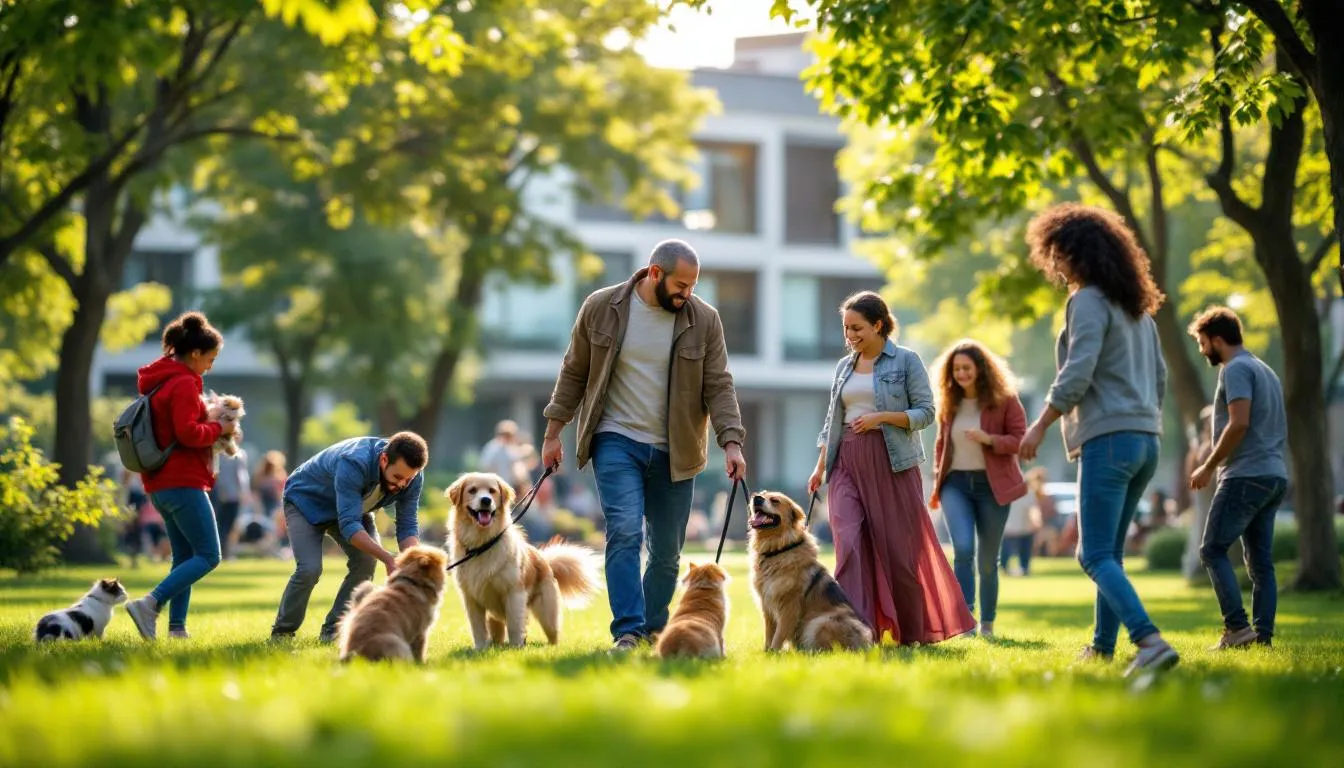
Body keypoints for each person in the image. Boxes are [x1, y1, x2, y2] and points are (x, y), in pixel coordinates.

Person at [541, 239, 747, 652]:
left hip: (678, 448)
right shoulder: (602, 307)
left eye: (693, 286)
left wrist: (732, 442)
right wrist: (552, 433)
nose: (687, 293)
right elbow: (574, 372)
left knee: (668, 553)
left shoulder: (704, 320)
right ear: (655, 273)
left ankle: (654, 628)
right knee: (624, 531)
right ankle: (629, 631)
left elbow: (719, 384)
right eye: (681, 284)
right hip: (616, 439)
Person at [1018, 203, 1179, 676]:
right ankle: (1102, 648)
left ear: (1076, 253)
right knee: (1110, 551)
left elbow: (1078, 370)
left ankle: (1148, 641)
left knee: (1093, 553)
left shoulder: (1087, 299)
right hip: (1144, 439)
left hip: (1109, 439)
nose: (1055, 265)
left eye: (1057, 255)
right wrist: (1147, 423)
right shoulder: (1138, 312)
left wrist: (1040, 423)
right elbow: (1161, 377)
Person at [806, 291, 975, 645]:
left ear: (879, 325)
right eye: (846, 328)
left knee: (899, 553)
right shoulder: (844, 367)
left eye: (857, 328)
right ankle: (856, 632)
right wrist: (820, 466)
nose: (850, 336)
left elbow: (926, 413)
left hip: (892, 462)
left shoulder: (906, 361)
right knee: (849, 541)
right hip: (847, 461)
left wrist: (882, 418)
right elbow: (831, 421)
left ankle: (912, 632)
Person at [123, 311, 233, 641]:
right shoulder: (184, 383)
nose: (210, 366)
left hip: (160, 483)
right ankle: (149, 604)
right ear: (195, 353)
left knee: (185, 557)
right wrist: (219, 428)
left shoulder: (161, 381)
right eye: (210, 359)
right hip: (182, 481)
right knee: (210, 555)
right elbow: (187, 433)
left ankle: (177, 629)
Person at [1187, 306, 1288, 649]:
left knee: (1212, 549)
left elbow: (1239, 422)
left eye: (1203, 343)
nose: (1202, 351)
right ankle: (1262, 638)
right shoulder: (1265, 369)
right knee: (1261, 564)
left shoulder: (1236, 369)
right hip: (1273, 476)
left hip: (1246, 475)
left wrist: (1209, 465)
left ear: (1217, 340)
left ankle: (1237, 629)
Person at [269, 432, 428, 643]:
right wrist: (389, 559)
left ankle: (333, 632)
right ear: (383, 459)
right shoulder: (354, 462)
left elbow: (407, 525)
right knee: (309, 569)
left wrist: (413, 562)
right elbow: (350, 526)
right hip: (305, 502)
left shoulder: (411, 476)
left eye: (408, 479)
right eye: (398, 477)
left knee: (366, 561)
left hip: (350, 508)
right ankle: (282, 633)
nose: (402, 485)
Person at [928, 339, 1029, 638]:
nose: (961, 374)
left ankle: (987, 623)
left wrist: (989, 439)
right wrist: (937, 481)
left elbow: (1020, 440)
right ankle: (966, 621)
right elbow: (942, 446)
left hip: (992, 488)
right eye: (956, 369)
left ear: (980, 369)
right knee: (961, 548)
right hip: (955, 485)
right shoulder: (949, 402)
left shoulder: (1005, 399)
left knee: (987, 560)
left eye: (966, 368)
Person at [1182, 406, 1216, 582]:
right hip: (1203, 497)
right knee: (1200, 530)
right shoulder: (1200, 447)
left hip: (1212, 496)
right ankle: (1197, 569)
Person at [212, 448, 250, 560]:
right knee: (223, 526)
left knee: (227, 526)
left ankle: (225, 552)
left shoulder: (239, 454)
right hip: (226, 496)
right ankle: (222, 552)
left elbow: (242, 476)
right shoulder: (220, 454)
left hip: (232, 496)